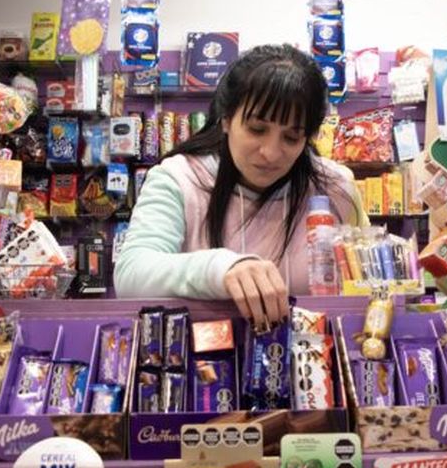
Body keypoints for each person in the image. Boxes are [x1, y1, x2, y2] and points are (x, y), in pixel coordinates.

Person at [115, 44, 367, 325]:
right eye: (257, 129)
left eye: (291, 137)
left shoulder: (335, 188)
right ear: (226, 119)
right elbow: (131, 275)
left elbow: (368, 277)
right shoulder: (179, 178)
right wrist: (221, 269)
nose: (271, 153)